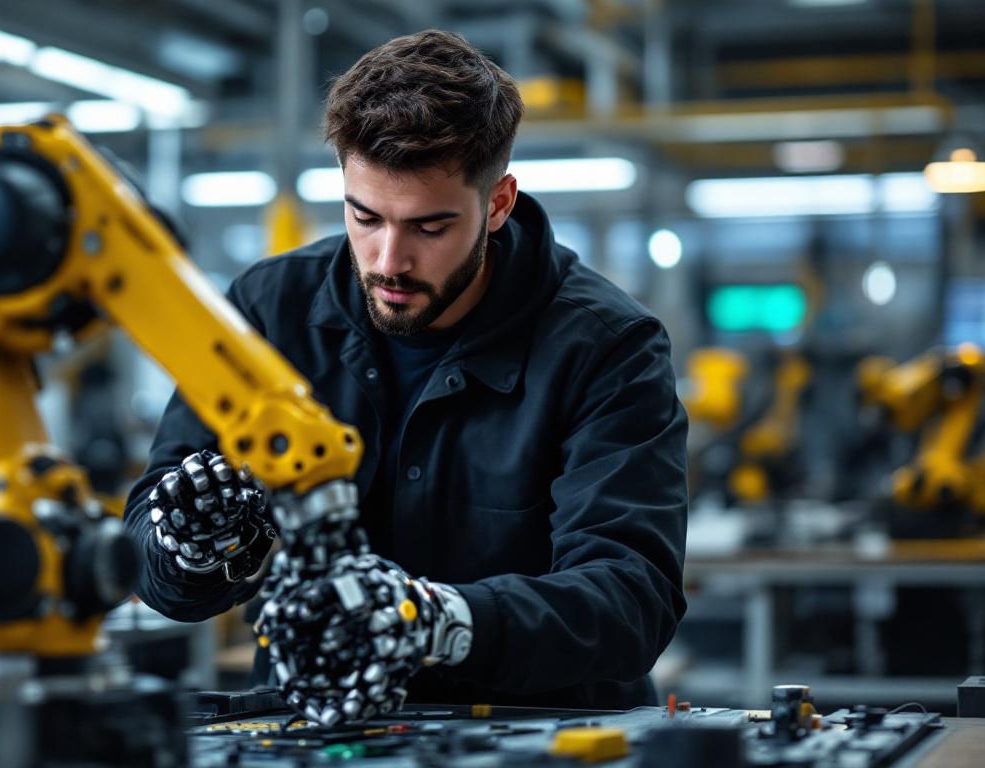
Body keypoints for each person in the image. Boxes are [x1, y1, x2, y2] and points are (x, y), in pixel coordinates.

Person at [125, 29, 688, 711]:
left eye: (429, 228)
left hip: (538, 735)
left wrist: (436, 622)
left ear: (499, 204)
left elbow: (630, 598)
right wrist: (194, 549)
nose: (389, 260)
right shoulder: (267, 313)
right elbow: (151, 557)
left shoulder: (605, 346)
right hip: (312, 735)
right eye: (365, 216)